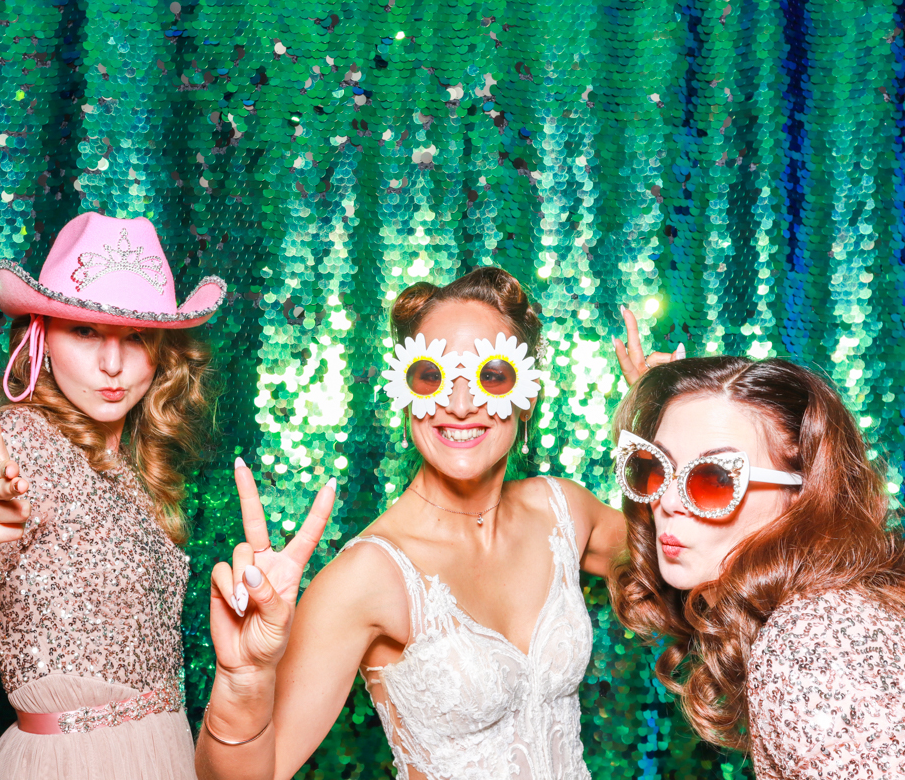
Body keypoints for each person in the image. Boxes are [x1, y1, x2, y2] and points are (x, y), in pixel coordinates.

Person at [195, 267, 627, 780]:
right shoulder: (369, 575)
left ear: (528, 392)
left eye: (492, 375)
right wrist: (242, 679)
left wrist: (659, 420)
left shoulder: (562, 512)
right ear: (404, 390)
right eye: (432, 375)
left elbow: (673, 558)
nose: (461, 405)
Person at [0, 212, 225, 779]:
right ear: (39, 334)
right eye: (86, 331)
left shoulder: (141, 466)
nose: (113, 364)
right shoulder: (11, 447)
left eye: (136, 336)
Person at [608, 340, 905, 779]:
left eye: (713, 479)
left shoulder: (812, 642)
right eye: (654, 468)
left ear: (799, 495)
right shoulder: (828, 603)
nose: (667, 501)